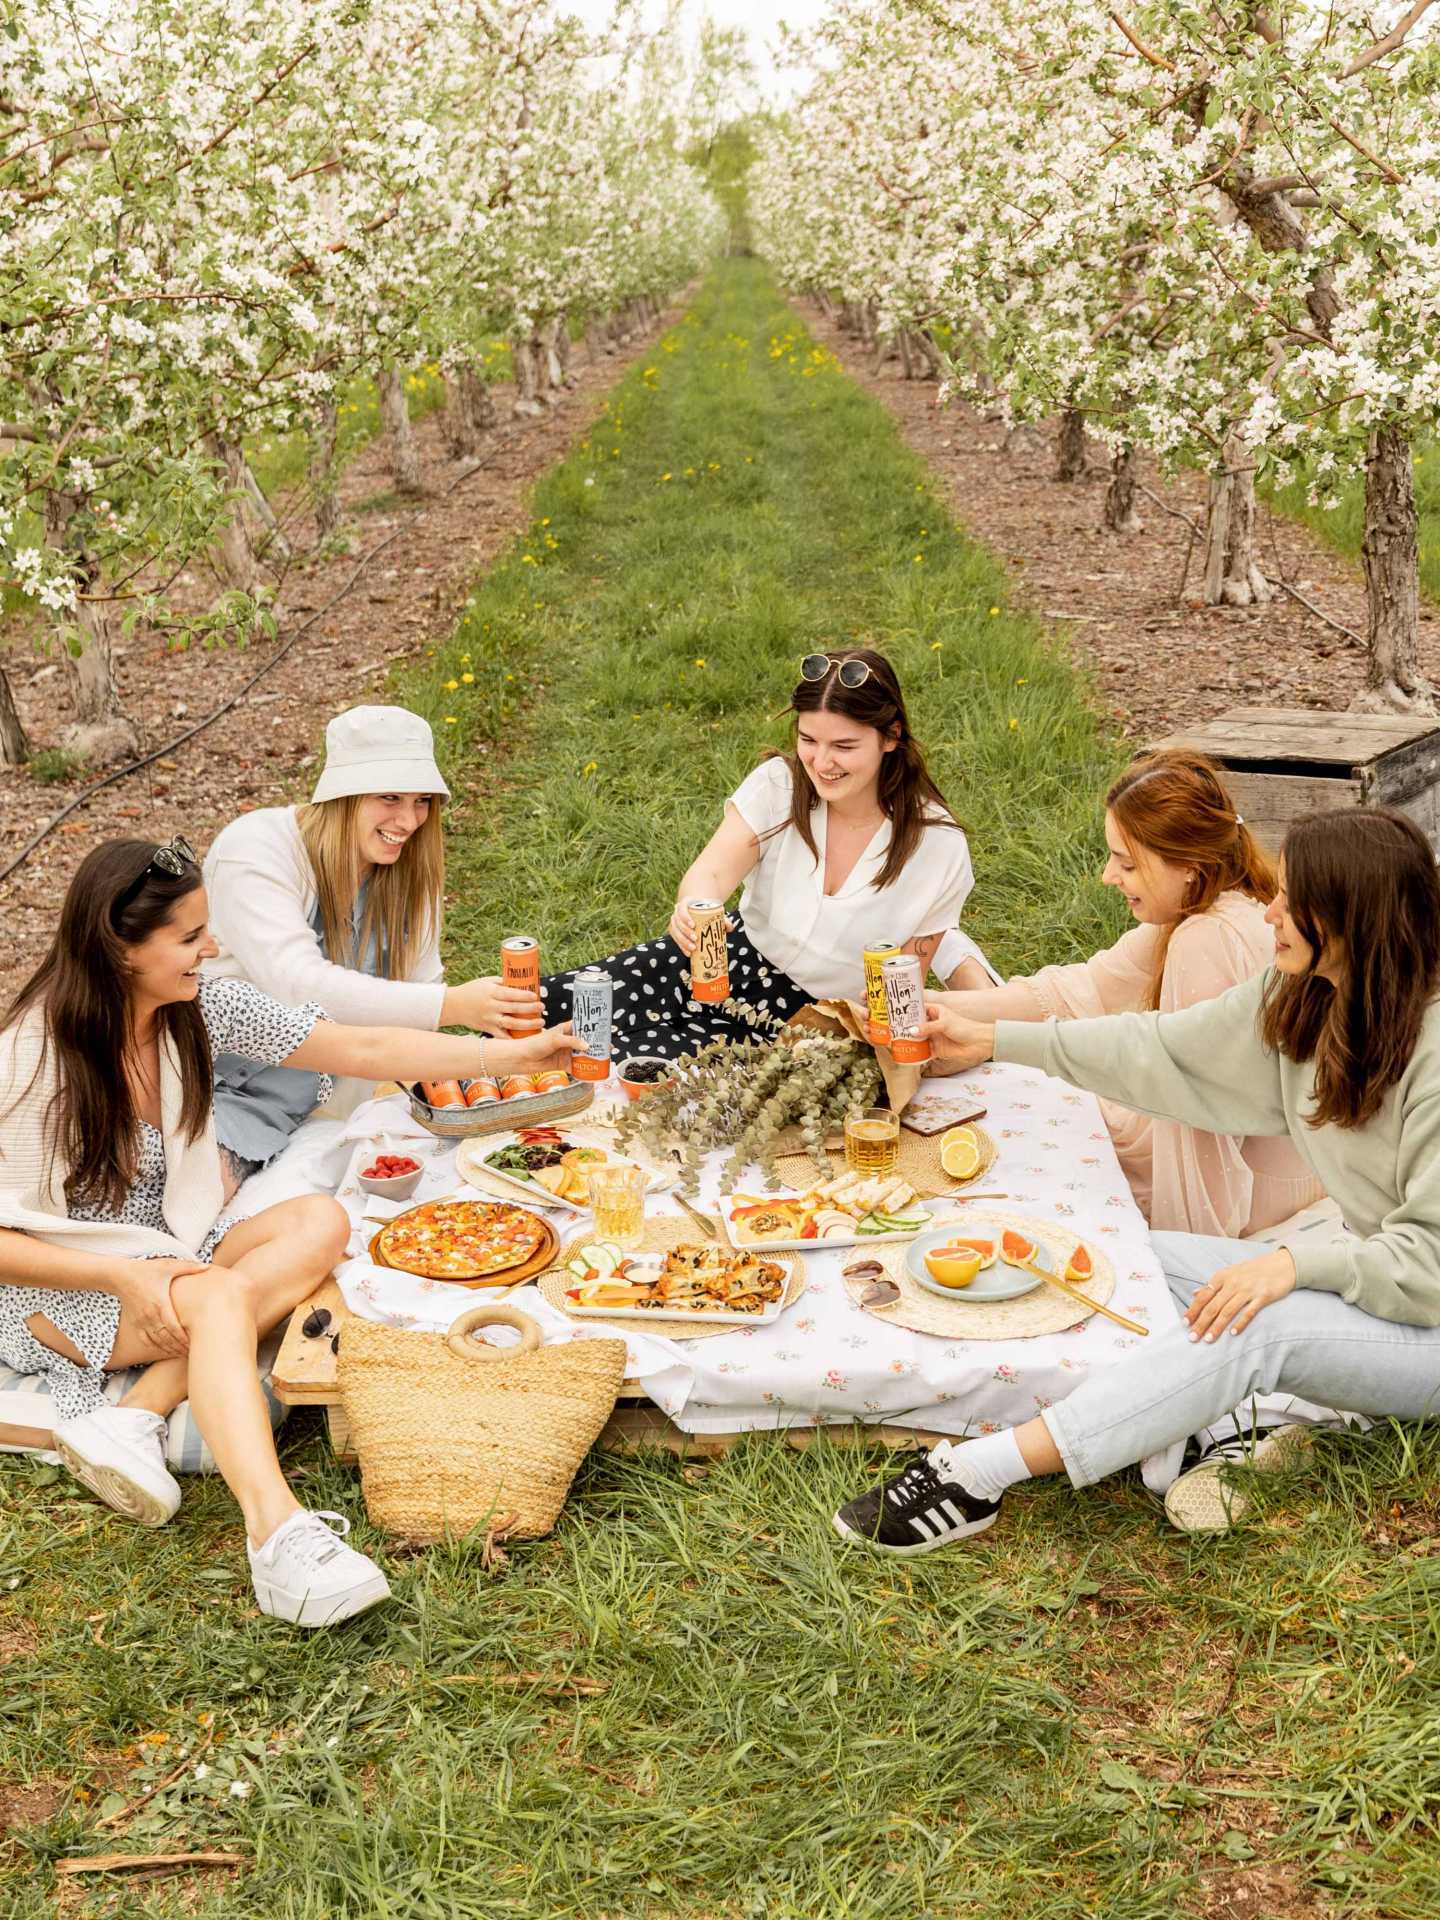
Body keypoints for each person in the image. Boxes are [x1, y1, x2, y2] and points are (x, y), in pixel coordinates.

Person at [831, 808, 1440, 1557]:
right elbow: (1159, 1047)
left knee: (1257, 1322)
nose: (1270, 910)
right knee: (1123, 1258)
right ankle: (1200, 1421)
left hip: (1429, 1324)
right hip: (1374, 1278)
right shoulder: (1309, 997)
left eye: (1293, 899)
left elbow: (1430, 1267)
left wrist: (1293, 1266)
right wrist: (996, 1039)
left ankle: (973, 1474)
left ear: (1355, 917)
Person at [0, 837, 572, 1625]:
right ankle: (277, 1536)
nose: (214, 947)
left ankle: (132, 1415)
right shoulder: (33, 1058)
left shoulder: (194, 1005)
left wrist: (519, 1055)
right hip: (59, 1287)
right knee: (217, 1301)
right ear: (119, 947)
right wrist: (125, 1277)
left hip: (165, 1255)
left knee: (321, 1218)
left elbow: (362, 1046)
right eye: (191, 937)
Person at [929, 748, 1324, 1238]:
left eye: (1126, 863)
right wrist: (937, 1008)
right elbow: (1076, 991)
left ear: (1187, 864)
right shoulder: (1209, 904)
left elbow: (1195, 1112)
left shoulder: (1207, 938)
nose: (1108, 877)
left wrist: (1182, 1253)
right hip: (1277, 1163)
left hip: (1258, 1192)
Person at [542, 648, 997, 1058]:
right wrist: (692, 906)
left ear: (891, 737)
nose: (821, 762)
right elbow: (713, 871)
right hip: (726, 959)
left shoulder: (937, 843)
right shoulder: (780, 784)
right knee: (550, 1013)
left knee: (620, 1068)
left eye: (844, 746)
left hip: (806, 1024)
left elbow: (907, 976)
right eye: (809, 740)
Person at [203, 705, 543, 1180]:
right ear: (343, 796)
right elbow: (297, 987)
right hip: (223, 1093)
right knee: (194, 1208)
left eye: (422, 800)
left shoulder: (407, 875)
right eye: (390, 797)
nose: (408, 820)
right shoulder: (255, 849)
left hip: (340, 1102)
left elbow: (421, 997)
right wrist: (456, 1006)